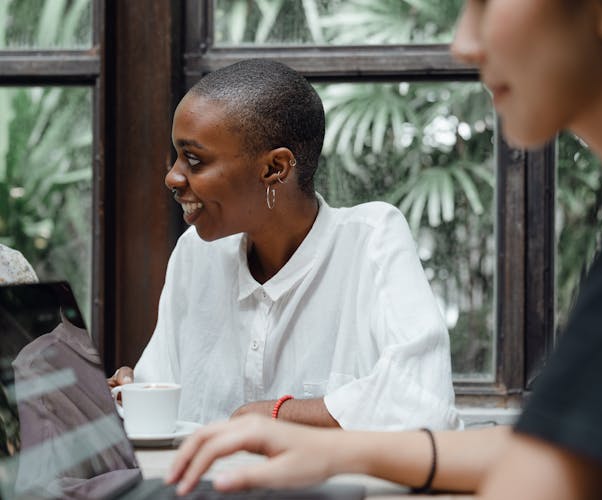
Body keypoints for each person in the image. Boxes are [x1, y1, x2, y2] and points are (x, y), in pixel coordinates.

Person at [165, 0, 602, 499]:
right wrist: (338, 454)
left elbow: (546, 476)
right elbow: (564, 447)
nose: (464, 43)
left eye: (486, 3)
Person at [108, 59, 460, 431]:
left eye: (194, 160)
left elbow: (425, 404)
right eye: (176, 156)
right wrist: (129, 393)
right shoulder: (195, 254)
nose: (172, 177)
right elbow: (161, 401)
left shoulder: (371, 240)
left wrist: (271, 414)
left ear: (275, 168)